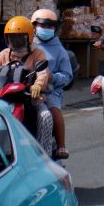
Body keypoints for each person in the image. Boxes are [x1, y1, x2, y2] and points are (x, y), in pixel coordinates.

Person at [0, 16, 50, 110]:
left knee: (44, 115)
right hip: (4, 96)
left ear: (29, 37)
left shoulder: (37, 53)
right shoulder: (4, 53)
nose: (16, 41)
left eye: (19, 38)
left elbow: (42, 73)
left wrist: (38, 85)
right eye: (12, 38)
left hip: (29, 96)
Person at [31, 9, 72, 160]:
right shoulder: (28, 44)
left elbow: (67, 76)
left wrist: (52, 77)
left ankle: (61, 145)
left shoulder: (60, 51)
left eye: (50, 26)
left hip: (50, 91)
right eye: (43, 25)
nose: (46, 28)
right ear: (34, 25)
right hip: (28, 89)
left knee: (53, 112)